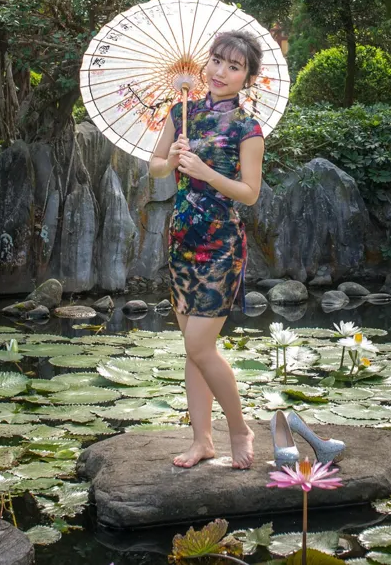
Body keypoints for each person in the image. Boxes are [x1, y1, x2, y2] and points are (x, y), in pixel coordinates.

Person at [147, 29, 266, 469]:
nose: (221, 71)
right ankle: (202, 441)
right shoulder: (181, 114)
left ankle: (240, 429)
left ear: (246, 78)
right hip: (181, 239)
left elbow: (249, 192)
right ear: (205, 64)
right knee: (191, 348)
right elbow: (155, 166)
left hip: (221, 243)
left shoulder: (246, 128)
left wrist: (205, 171)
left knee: (200, 346)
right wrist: (172, 161)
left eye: (234, 67)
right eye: (217, 61)